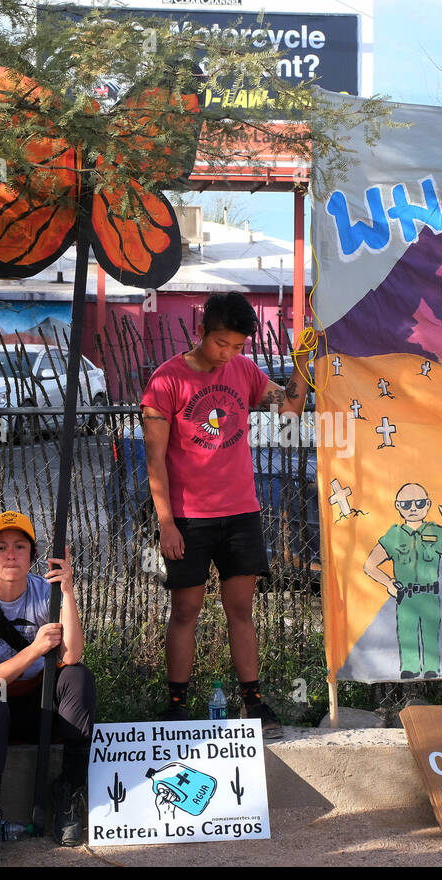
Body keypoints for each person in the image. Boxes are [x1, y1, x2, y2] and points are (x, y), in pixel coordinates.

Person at [140, 291, 312, 737]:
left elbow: (289, 409)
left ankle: (253, 703)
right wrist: (166, 524)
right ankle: (177, 706)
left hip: (241, 513)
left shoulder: (244, 370)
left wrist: (303, 364)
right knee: (186, 611)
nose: (228, 354)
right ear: (201, 331)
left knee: (241, 610)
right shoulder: (165, 381)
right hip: (188, 518)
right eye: (221, 343)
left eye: (237, 346)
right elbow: (155, 461)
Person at [0, 511, 93, 866]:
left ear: (32, 554)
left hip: (39, 705)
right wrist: (34, 649)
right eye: (1, 547)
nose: (11, 554)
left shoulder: (48, 594)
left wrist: (69, 590)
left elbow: (71, 654)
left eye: (20, 546)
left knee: (78, 677)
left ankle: (70, 793)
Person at [362, 484, 442, 679]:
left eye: (419, 503)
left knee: (431, 632)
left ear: (428, 505)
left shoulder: (436, 530)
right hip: (405, 596)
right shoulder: (395, 535)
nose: (413, 508)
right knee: (407, 632)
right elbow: (369, 565)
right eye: (407, 504)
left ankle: (432, 668)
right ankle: (410, 667)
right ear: (398, 506)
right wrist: (389, 583)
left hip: (430, 594)